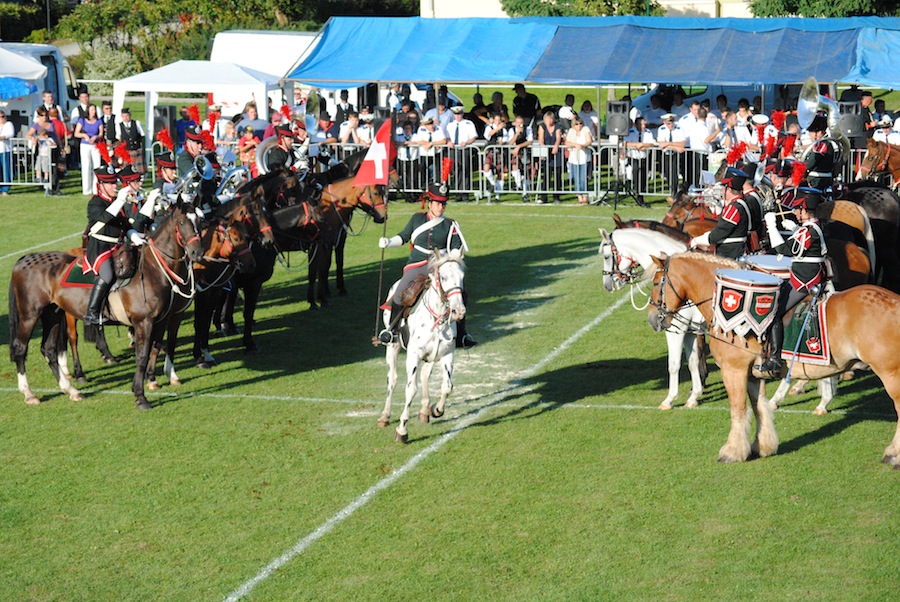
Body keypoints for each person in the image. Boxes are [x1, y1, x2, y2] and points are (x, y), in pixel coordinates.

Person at [376, 181, 476, 348]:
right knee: (401, 291)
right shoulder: (417, 219)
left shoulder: (450, 224)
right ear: (430, 203)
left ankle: (461, 335)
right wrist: (388, 242)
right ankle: (392, 331)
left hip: (440, 265)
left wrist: (449, 259)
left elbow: (456, 247)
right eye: (437, 203)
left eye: (443, 204)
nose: (440, 207)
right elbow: (403, 237)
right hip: (417, 264)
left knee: (460, 292)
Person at [756, 187, 827, 377]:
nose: (795, 212)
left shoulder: (809, 231)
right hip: (804, 274)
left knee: (774, 312)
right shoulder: (812, 227)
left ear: (805, 210)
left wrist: (771, 225)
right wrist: (794, 228)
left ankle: (775, 359)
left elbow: (783, 249)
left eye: (798, 209)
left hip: (805, 280)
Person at [83, 164, 154, 326]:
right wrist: (121, 200)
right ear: (101, 185)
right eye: (110, 183)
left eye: (115, 182)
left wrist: (136, 237)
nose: (114, 186)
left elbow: (125, 225)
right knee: (107, 275)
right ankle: (91, 312)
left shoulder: (116, 202)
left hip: (117, 247)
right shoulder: (95, 203)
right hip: (100, 247)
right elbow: (104, 217)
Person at [689, 167, 754, 260]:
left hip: (730, 253)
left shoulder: (733, 208)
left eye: (724, 188)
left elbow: (719, 233)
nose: (722, 191)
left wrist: (696, 240)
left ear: (729, 190)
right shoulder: (742, 202)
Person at [445, 105, 478, 202]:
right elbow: (447, 136)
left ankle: (465, 194)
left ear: (462, 114)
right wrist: (448, 142)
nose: (458, 116)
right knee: (455, 171)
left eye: (459, 114)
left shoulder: (468, 123)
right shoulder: (450, 125)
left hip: (464, 149)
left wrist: (467, 142)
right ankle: (457, 193)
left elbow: (473, 136)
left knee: (464, 171)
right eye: (456, 114)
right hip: (453, 150)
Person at [29, 106, 63, 196]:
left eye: (45, 115)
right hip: (42, 149)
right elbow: (28, 134)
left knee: (54, 168)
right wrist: (33, 138)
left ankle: (54, 188)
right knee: (41, 166)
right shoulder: (36, 125)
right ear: (39, 116)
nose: (44, 117)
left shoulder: (51, 124)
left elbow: (56, 135)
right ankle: (45, 185)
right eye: (42, 115)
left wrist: (60, 146)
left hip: (53, 148)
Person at [802, 113, 838, 191]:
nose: (809, 134)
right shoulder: (823, 143)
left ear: (819, 133)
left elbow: (811, 162)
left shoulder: (822, 144)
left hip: (818, 181)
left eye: (811, 132)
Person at [624, 116, 654, 207]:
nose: (643, 126)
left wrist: (643, 145)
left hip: (644, 157)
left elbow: (651, 143)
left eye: (644, 124)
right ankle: (638, 195)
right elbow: (626, 143)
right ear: (636, 124)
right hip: (634, 158)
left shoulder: (648, 132)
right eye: (641, 124)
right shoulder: (631, 132)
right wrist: (636, 144)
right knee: (636, 176)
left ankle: (641, 193)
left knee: (644, 177)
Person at [565, 116, 593, 205]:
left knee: (583, 178)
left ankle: (585, 196)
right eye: (576, 124)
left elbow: (589, 140)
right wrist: (575, 144)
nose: (579, 125)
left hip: (584, 158)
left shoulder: (586, 129)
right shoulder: (571, 131)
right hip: (574, 158)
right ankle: (579, 197)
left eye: (580, 123)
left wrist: (583, 145)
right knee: (576, 178)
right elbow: (567, 142)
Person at [656, 113, 685, 197]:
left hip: (675, 155)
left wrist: (668, 144)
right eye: (668, 123)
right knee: (667, 173)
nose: (671, 125)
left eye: (672, 122)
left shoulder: (679, 128)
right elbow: (661, 144)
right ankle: (672, 189)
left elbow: (682, 143)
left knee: (674, 173)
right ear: (664, 122)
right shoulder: (661, 129)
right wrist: (675, 146)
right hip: (666, 154)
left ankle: (674, 192)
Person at [413, 115, 446, 186]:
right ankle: (423, 185)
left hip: (436, 153)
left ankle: (438, 185)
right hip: (425, 153)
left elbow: (443, 141)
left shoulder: (438, 128)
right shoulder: (421, 129)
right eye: (428, 124)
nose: (430, 126)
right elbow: (419, 141)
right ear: (425, 125)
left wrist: (431, 143)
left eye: (431, 124)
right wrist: (430, 144)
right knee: (422, 168)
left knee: (438, 170)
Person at [507, 115, 534, 201]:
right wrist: (517, 133)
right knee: (514, 166)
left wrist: (519, 146)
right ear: (515, 123)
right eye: (518, 123)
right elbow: (510, 143)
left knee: (526, 172)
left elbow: (530, 141)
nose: (520, 125)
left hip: (525, 151)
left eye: (521, 123)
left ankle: (525, 193)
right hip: (515, 153)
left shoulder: (528, 129)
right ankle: (519, 185)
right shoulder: (511, 130)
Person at [118, 108, 145, 173]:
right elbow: (119, 139)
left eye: (127, 116)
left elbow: (142, 135)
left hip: (137, 149)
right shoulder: (119, 126)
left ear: (130, 115)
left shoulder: (137, 123)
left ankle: (139, 180)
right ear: (121, 116)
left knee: (139, 170)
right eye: (123, 116)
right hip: (126, 151)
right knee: (127, 169)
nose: (125, 118)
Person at [0, 111, 13, 196]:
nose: (1, 118)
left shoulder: (8, 124)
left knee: (6, 170)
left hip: (5, 150)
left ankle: (5, 189)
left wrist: (3, 137)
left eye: (3, 116)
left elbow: (10, 134)